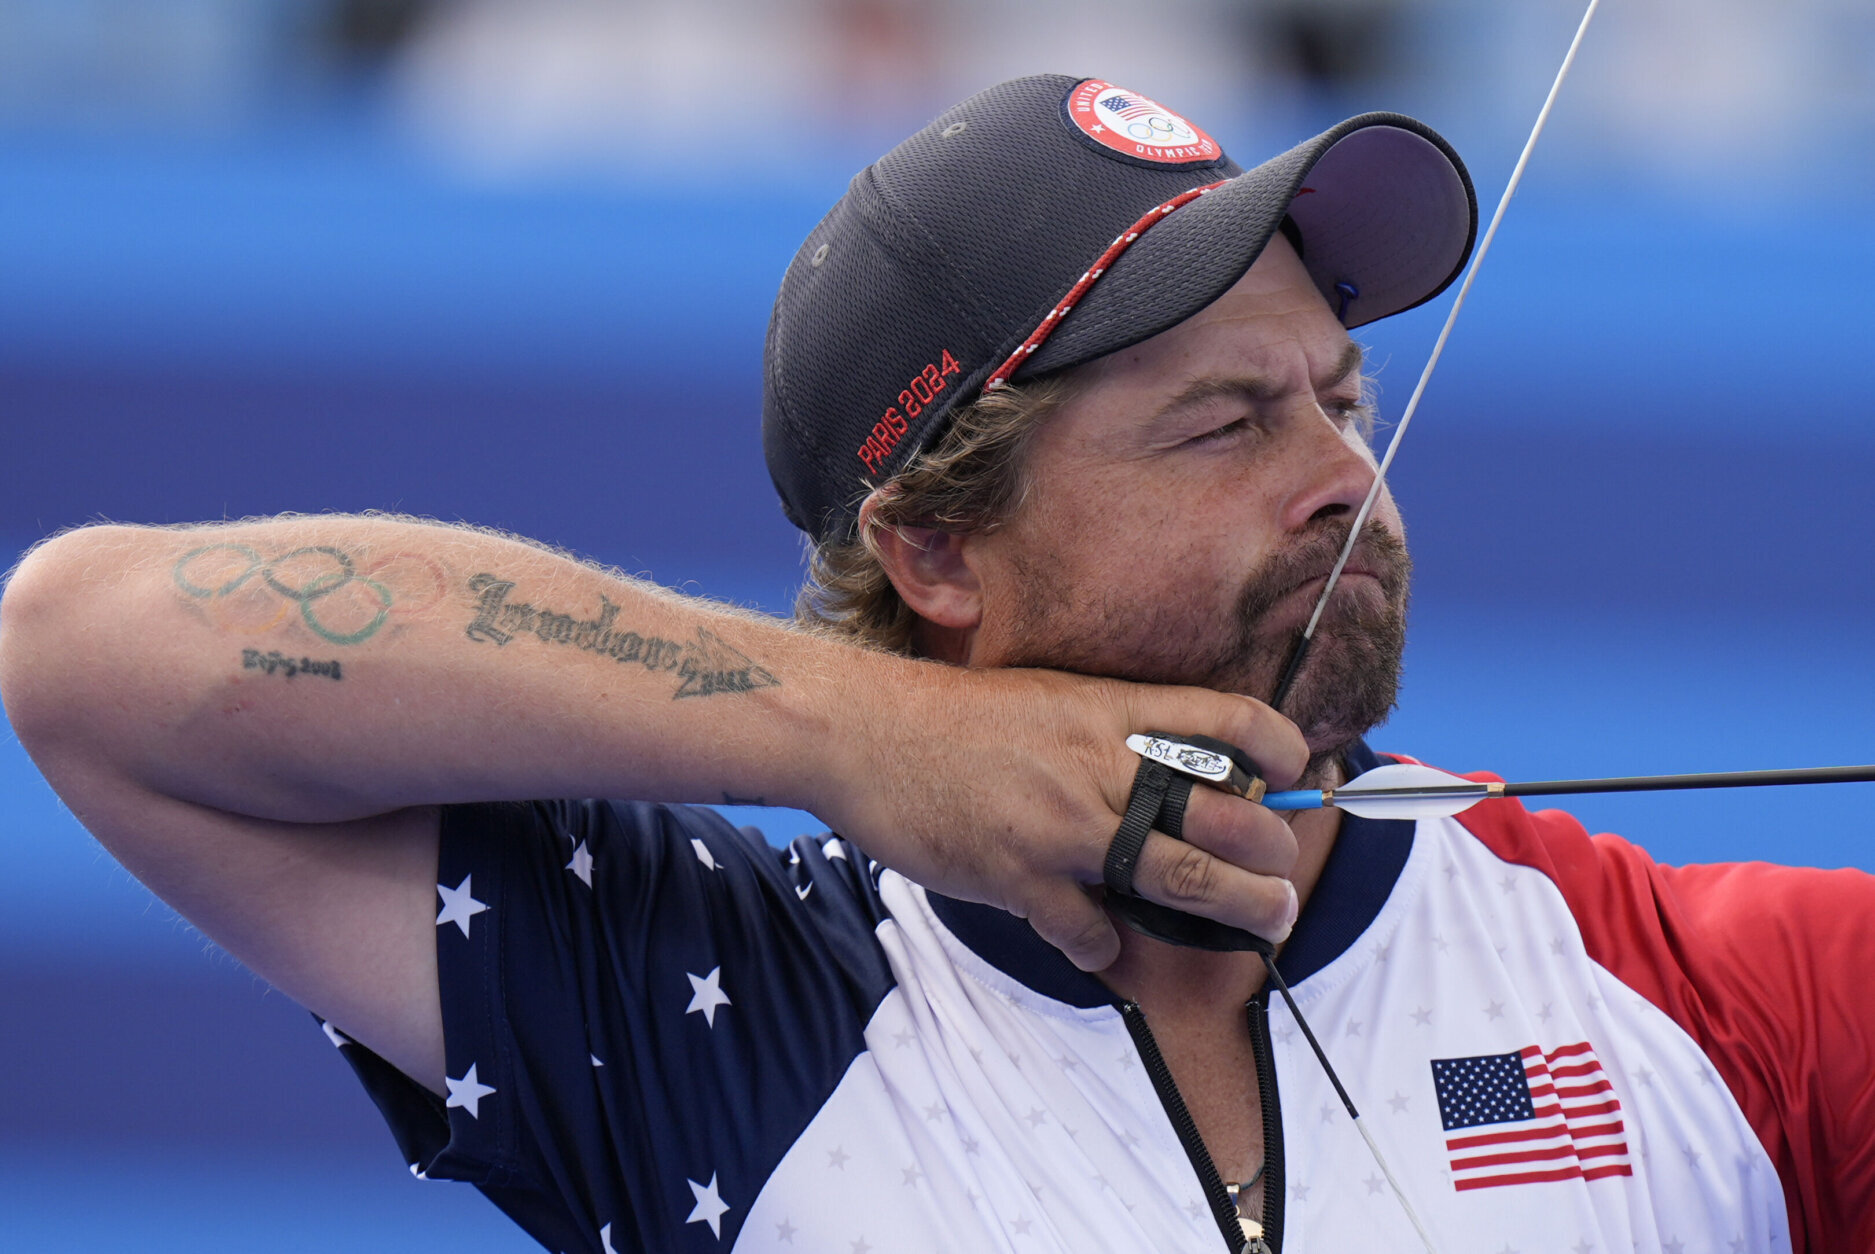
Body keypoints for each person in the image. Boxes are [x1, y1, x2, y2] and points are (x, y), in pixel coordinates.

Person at [0, 73, 1870, 1254]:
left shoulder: (1683, 986)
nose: (1338, 477)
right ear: (938, 549)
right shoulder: (723, 1007)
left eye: (1340, 395)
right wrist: (859, 736)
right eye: (1223, 423)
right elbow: (90, 649)